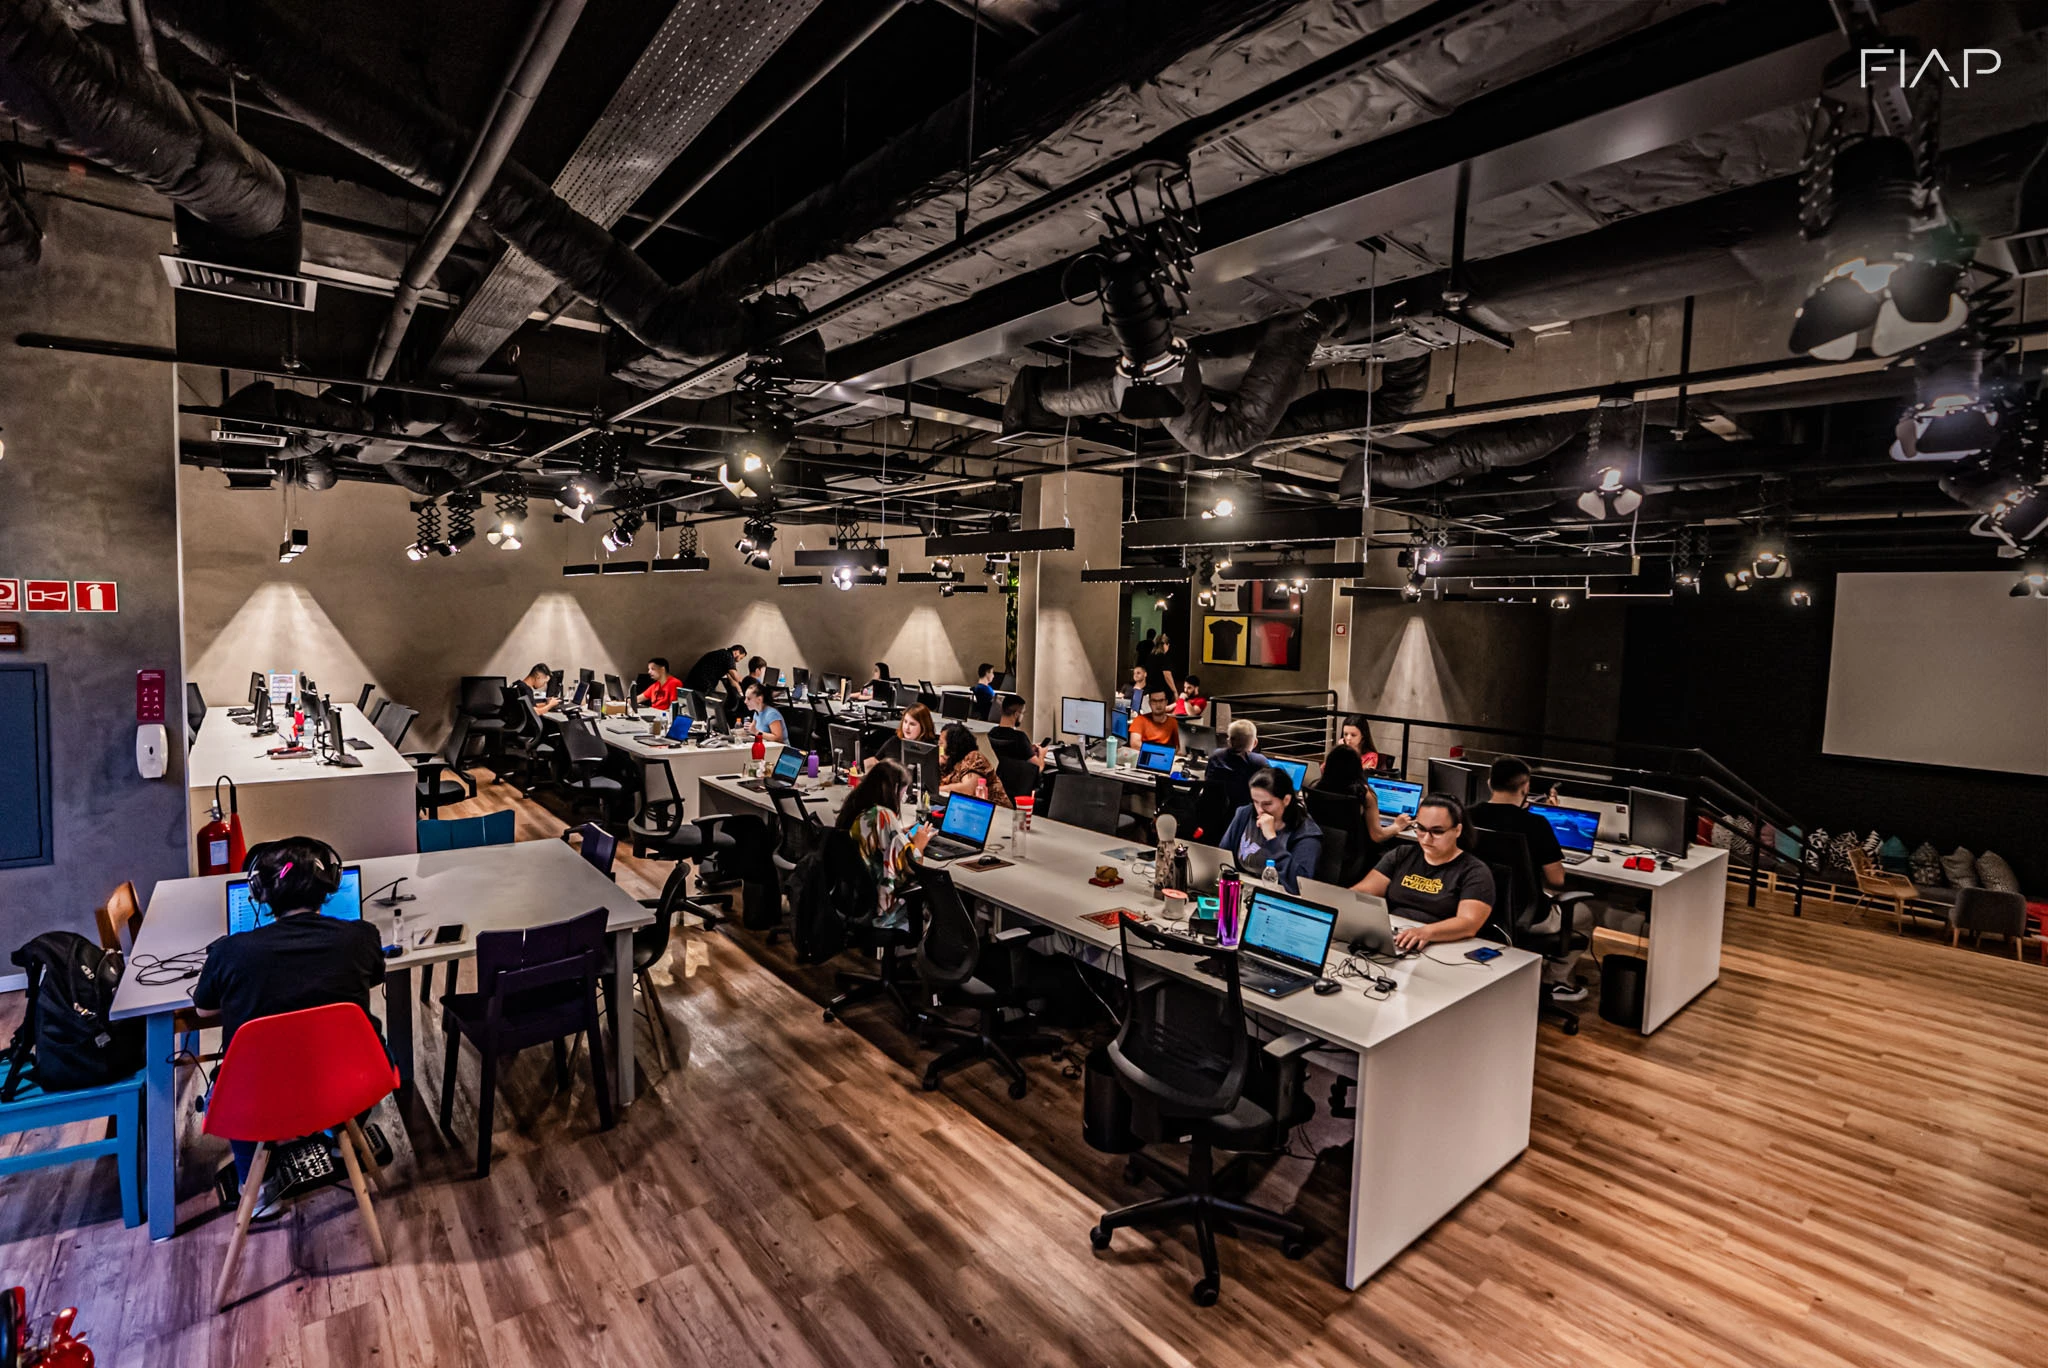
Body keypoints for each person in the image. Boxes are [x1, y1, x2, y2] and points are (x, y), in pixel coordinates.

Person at [191, 837, 387, 1186]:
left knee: (237, 1074)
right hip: (351, 1082)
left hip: (259, 1098)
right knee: (374, 1039)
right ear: (331, 885)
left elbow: (204, 1011)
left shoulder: (231, 952)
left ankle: (257, 1186)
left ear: (258, 892)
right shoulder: (362, 937)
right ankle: (339, 1139)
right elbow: (372, 979)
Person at [1467, 756, 1587, 1001]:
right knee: (1585, 913)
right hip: (1525, 913)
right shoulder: (1536, 824)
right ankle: (1557, 980)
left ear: (1490, 783)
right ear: (1525, 788)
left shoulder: (1467, 816)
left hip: (1476, 906)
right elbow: (1557, 881)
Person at [1353, 795, 1496, 953]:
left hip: (1441, 944)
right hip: (1399, 936)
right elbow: (1364, 891)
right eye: (1421, 829)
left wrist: (1427, 932)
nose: (1427, 838)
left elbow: (1468, 923)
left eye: (1437, 831)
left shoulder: (1474, 871)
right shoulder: (1402, 854)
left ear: (1457, 830)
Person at [835, 760, 932, 932]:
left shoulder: (858, 805)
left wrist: (898, 833)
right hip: (881, 910)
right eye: (903, 791)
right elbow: (909, 867)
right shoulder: (884, 815)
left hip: (854, 899)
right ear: (894, 789)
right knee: (936, 891)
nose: (903, 797)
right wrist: (919, 844)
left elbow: (875, 839)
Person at [1218, 767, 1323, 893]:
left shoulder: (1307, 833)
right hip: (1241, 888)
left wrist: (1272, 839)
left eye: (1267, 804)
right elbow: (1222, 857)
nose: (1260, 809)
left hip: (1279, 896)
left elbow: (1298, 886)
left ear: (1286, 800)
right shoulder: (1245, 814)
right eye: (1255, 802)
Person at [1312, 745, 1411, 846]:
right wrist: (1397, 825)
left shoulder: (1315, 788)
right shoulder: (1363, 793)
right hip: (1351, 852)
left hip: (1319, 847)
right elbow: (1377, 836)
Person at [936, 723, 1011, 807]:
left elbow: (967, 789)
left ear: (953, 744)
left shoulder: (974, 757)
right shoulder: (951, 763)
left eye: (941, 743)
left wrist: (937, 790)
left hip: (996, 812)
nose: (939, 748)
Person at [1204, 718, 1269, 812]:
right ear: (1255, 743)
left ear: (1229, 741)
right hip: (1240, 819)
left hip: (1210, 814)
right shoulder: (1259, 762)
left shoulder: (1216, 756)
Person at [867, 702, 936, 771]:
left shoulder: (930, 750)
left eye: (912, 724)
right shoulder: (894, 741)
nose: (906, 727)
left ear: (923, 726)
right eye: (905, 722)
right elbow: (874, 760)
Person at [987, 694, 1045, 770]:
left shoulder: (992, 733)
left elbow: (1009, 752)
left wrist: (1028, 748)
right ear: (1016, 714)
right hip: (1020, 780)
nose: (1022, 716)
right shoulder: (1019, 737)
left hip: (1001, 778)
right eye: (1022, 713)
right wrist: (1042, 754)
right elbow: (1038, 768)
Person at [1127, 684, 1180, 750]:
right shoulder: (1140, 720)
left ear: (1166, 702)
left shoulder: (1173, 723)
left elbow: (1178, 748)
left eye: (1161, 701)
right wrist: (1161, 751)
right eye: (1154, 701)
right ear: (1150, 703)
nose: (1158, 705)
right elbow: (1135, 744)